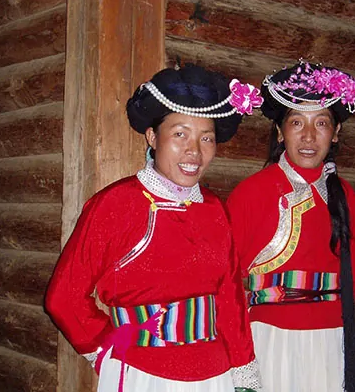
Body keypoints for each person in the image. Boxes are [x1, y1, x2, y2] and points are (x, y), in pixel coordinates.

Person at [45, 65, 264, 392]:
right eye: (180, 134)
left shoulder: (215, 210)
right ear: (152, 136)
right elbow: (63, 297)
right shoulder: (116, 204)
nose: (194, 151)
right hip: (143, 375)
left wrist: (243, 371)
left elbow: (230, 299)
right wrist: (107, 349)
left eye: (206, 138)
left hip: (216, 375)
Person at [226, 61, 355, 392]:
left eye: (321, 123)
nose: (308, 135)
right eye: (296, 122)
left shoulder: (345, 196)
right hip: (268, 342)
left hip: (330, 344)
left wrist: (324, 317)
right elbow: (225, 281)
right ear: (280, 131)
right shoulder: (251, 193)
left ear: (335, 133)